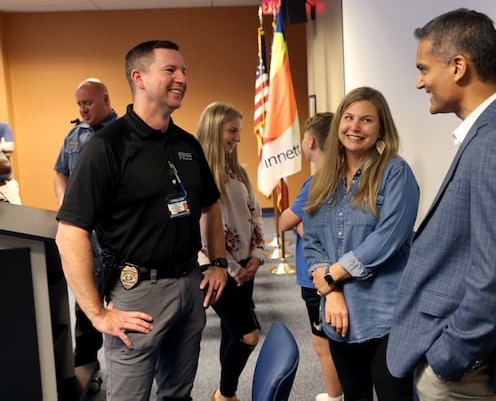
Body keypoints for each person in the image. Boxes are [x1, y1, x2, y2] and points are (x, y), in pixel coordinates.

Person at [386, 9, 496, 401]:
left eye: (424, 68)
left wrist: (447, 359)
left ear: (458, 66)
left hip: (458, 373)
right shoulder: (492, 133)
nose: (419, 81)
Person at [55, 40, 228, 401]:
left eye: (184, 71)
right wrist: (97, 315)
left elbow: (211, 206)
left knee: (177, 394)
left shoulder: (187, 144)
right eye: (171, 70)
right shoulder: (106, 147)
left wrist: (218, 263)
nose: (182, 78)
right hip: (137, 295)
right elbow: (69, 234)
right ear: (139, 78)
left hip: (189, 286)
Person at [303, 86, 420, 401]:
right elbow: (312, 242)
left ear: (381, 128)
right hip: (339, 314)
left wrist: (331, 276)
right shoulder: (321, 181)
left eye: (366, 120)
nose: (354, 127)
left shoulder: (395, 173)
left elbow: (387, 240)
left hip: (387, 315)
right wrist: (334, 290)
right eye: (349, 117)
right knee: (354, 396)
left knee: (394, 396)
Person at [195, 102, 266, 401]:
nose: (238, 138)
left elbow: (256, 215)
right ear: (214, 131)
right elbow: (198, 234)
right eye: (232, 131)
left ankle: (226, 393)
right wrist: (234, 268)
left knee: (230, 332)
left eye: (239, 131)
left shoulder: (240, 172)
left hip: (245, 268)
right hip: (218, 271)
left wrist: (256, 258)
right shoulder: (197, 175)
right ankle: (224, 395)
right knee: (248, 335)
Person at [53, 78, 118, 388]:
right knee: (86, 305)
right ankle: (88, 369)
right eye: (79, 103)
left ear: (105, 99)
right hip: (85, 237)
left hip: (118, 234)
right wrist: (65, 205)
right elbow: (60, 172)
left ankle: (131, 369)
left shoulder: (124, 132)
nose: (82, 108)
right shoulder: (74, 135)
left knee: (125, 301)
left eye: (88, 102)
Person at [280, 112, 344, 401]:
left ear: (311, 142)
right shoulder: (342, 175)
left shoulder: (315, 183)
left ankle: (334, 395)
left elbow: (283, 221)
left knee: (323, 343)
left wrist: (301, 224)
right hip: (335, 271)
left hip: (315, 276)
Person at [0, 122, 22, 204]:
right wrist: (1, 147)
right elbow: (5, 149)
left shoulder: (3, 127)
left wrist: (4, 148)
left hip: (6, 187)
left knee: (16, 216)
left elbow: (9, 150)